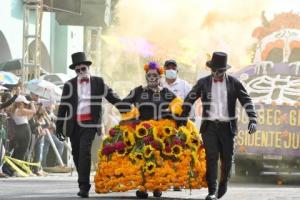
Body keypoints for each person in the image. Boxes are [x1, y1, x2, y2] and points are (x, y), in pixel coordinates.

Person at [178, 52, 257, 200]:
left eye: (219, 71)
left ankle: (223, 184)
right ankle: (212, 191)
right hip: (210, 127)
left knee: (227, 159)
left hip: (228, 127)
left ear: (225, 70)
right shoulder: (203, 83)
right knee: (211, 158)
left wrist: (253, 118)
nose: (215, 73)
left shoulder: (234, 83)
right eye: (213, 70)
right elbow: (190, 97)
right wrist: (184, 115)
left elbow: (246, 100)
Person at [55, 52, 122, 198]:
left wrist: (127, 109)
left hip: (90, 124)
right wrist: (59, 126)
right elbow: (63, 106)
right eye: (77, 70)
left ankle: (84, 187)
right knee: (77, 154)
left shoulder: (98, 82)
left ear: (88, 67)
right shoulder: (69, 85)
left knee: (84, 152)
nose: (80, 72)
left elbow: (112, 96)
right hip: (74, 125)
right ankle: (83, 181)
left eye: (83, 69)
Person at [11, 95, 36, 161]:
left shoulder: (14, 110)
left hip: (19, 130)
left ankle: (14, 167)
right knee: (24, 149)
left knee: (18, 149)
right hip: (25, 130)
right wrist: (32, 103)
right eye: (24, 103)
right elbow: (34, 111)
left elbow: (26, 119)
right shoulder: (21, 110)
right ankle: (19, 167)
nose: (25, 105)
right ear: (22, 103)